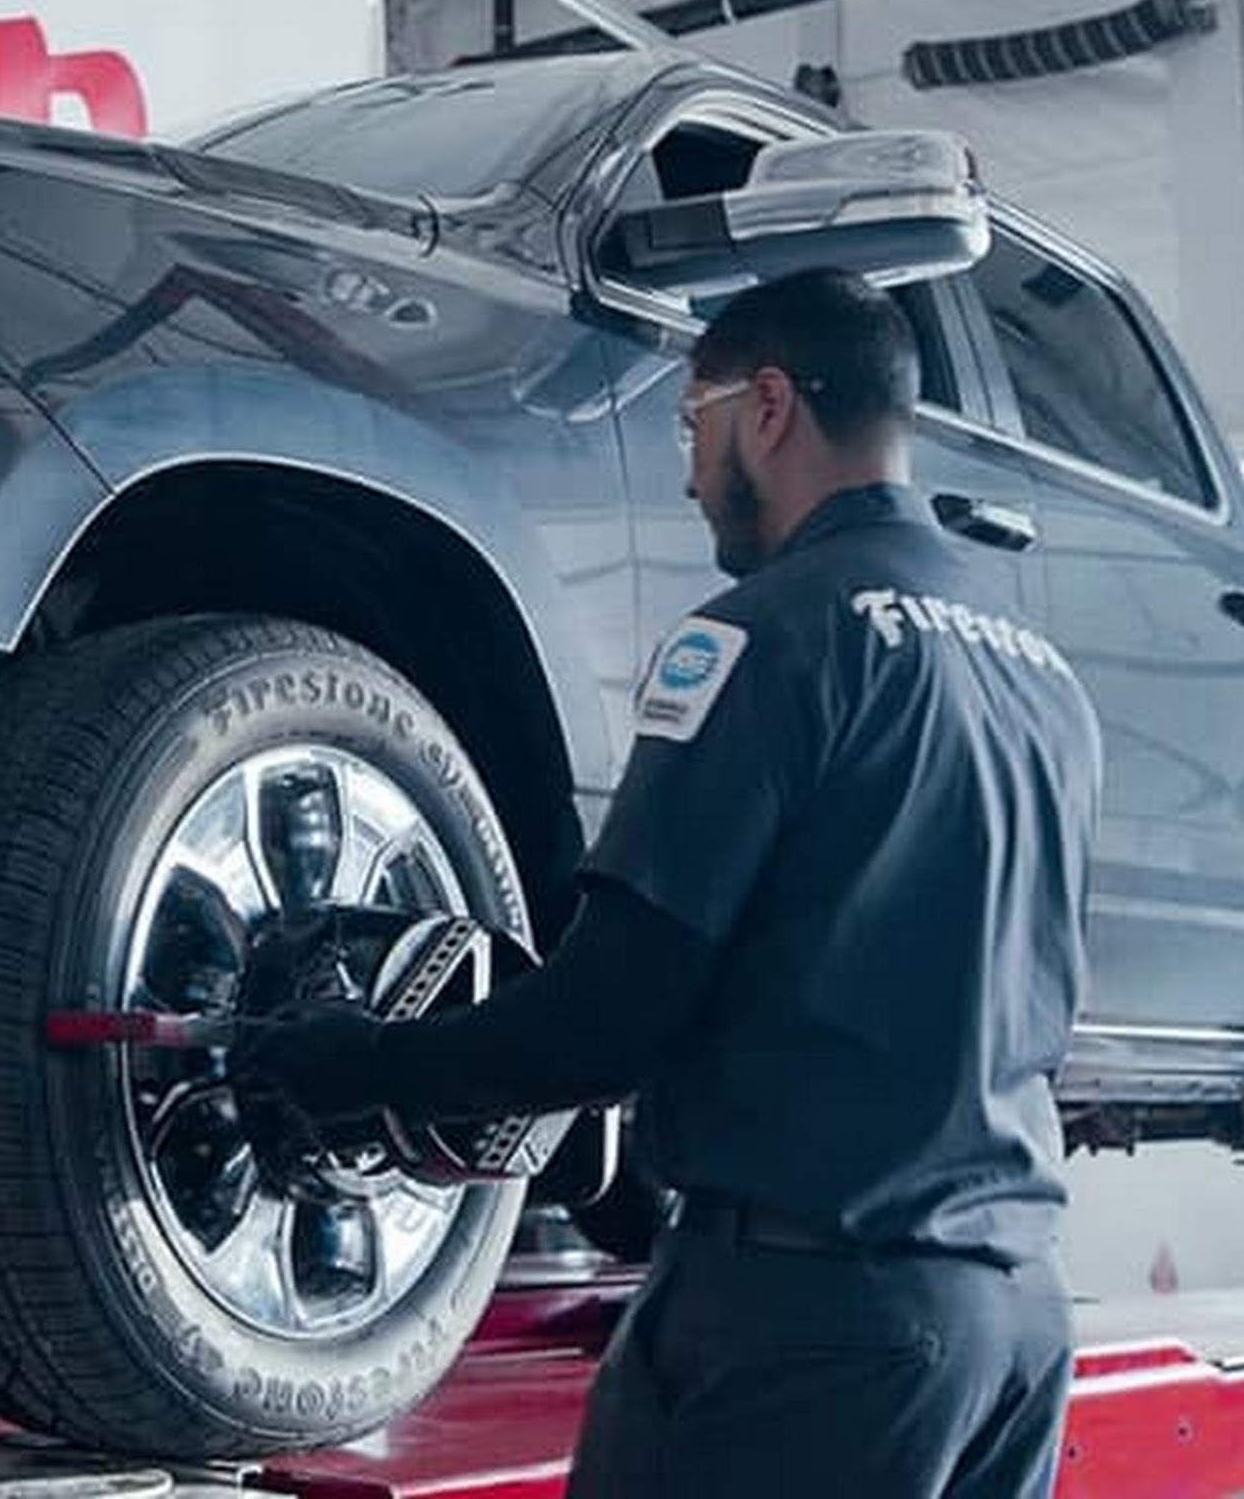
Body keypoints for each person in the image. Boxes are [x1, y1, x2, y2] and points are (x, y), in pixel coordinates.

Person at [234, 266, 1099, 1498]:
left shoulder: (767, 634)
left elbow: (607, 1019)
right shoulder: (1041, 679)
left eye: (690, 420)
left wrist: (362, 1066)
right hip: (1010, 1320)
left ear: (767, 406)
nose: (688, 472)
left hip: (813, 1318)